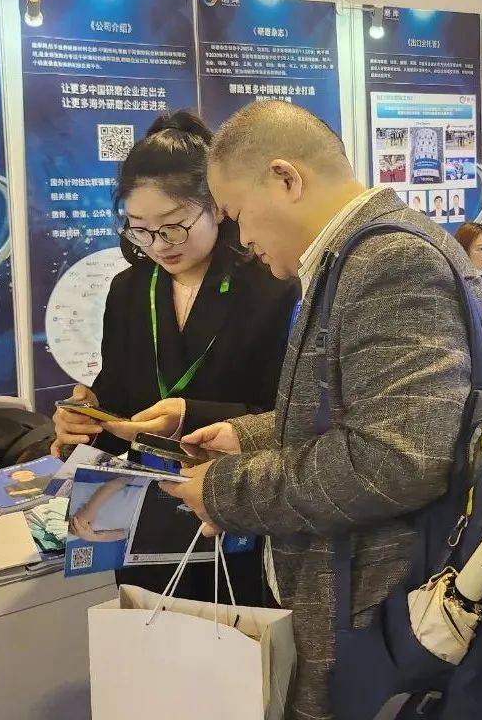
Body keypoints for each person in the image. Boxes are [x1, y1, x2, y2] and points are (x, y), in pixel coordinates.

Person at [161, 101, 482, 720]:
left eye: (237, 214)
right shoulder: (356, 258)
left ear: (286, 179)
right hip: (361, 598)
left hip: (383, 615)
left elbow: (396, 460)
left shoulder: (388, 261)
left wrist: (226, 490)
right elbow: (360, 412)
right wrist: (248, 437)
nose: (242, 240)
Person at [51, 111, 298, 604]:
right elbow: (118, 399)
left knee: (239, 639)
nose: (158, 246)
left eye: (173, 228)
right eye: (140, 230)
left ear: (217, 208)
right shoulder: (129, 288)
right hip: (146, 524)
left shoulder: (271, 284)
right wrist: (85, 419)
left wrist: (192, 415)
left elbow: (291, 418)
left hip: (233, 514)